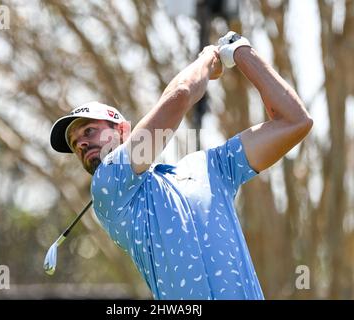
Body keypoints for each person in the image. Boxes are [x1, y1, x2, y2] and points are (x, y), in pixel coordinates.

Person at [50, 32, 313, 300]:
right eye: (73, 143)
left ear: (123, 131)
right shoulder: (108, 186)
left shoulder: (210, 168)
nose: (80, 144)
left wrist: (240, 51)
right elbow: (180, 94)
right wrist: (209, 58)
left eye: (89, 131)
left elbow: (295, 122)